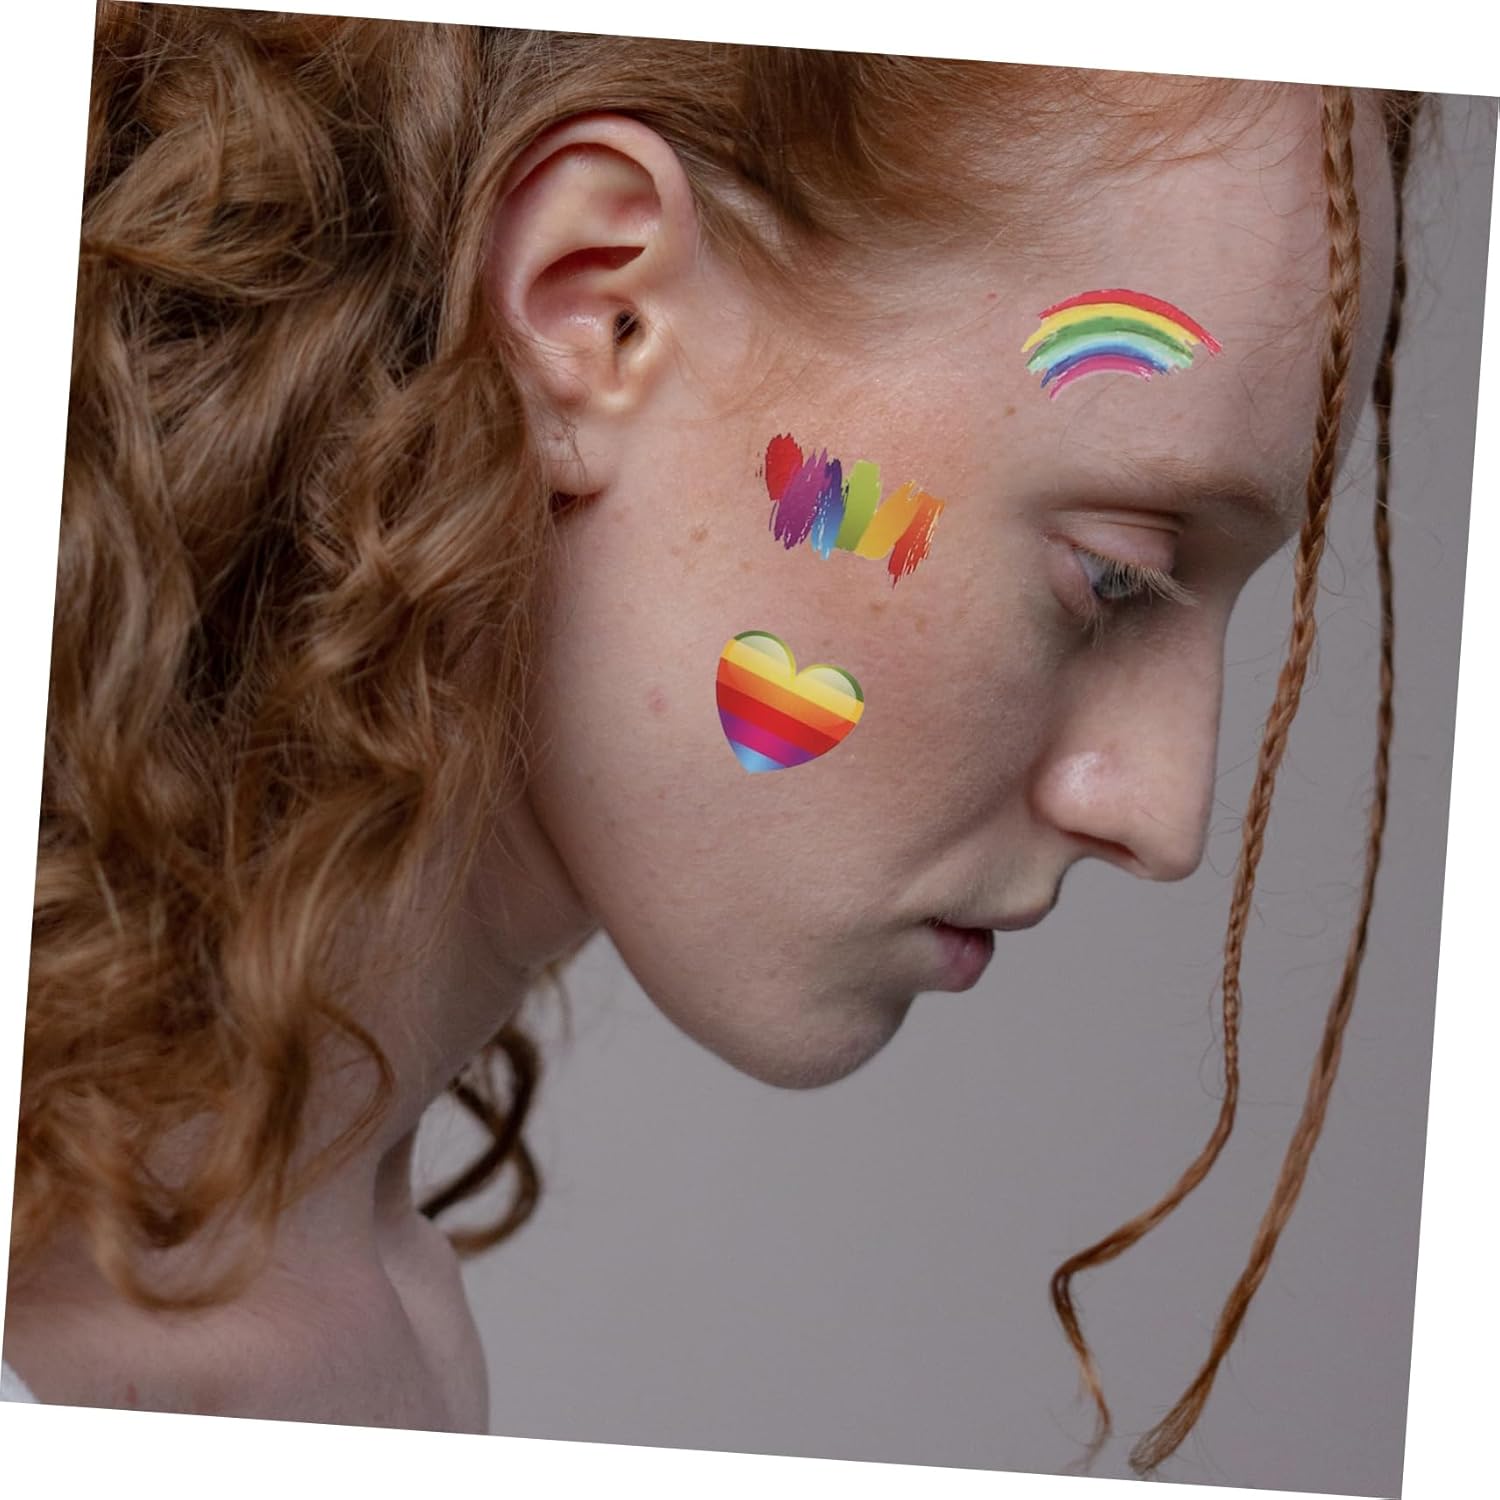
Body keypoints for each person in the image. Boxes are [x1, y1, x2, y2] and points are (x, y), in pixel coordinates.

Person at [2, 3, 1423, 1478]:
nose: (1165, 814)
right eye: (1115, 575)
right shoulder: (82, 1349)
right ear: (596, 311)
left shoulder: (363, 1313)